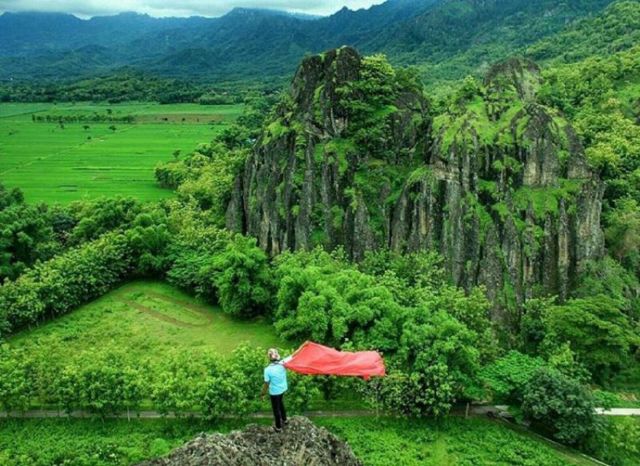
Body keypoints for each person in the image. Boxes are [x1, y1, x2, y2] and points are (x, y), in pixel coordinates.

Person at [260, 347, 293, 432]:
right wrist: (304, 346)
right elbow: (294, 355)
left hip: (274, 392)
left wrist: (263, 393)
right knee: (281, 403)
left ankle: (278, 427)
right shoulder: (283, 363)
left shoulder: (267, 370)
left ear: (269, 358)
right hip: (283, 389)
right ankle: (285, 420)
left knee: (276, 409)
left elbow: (266, 384)